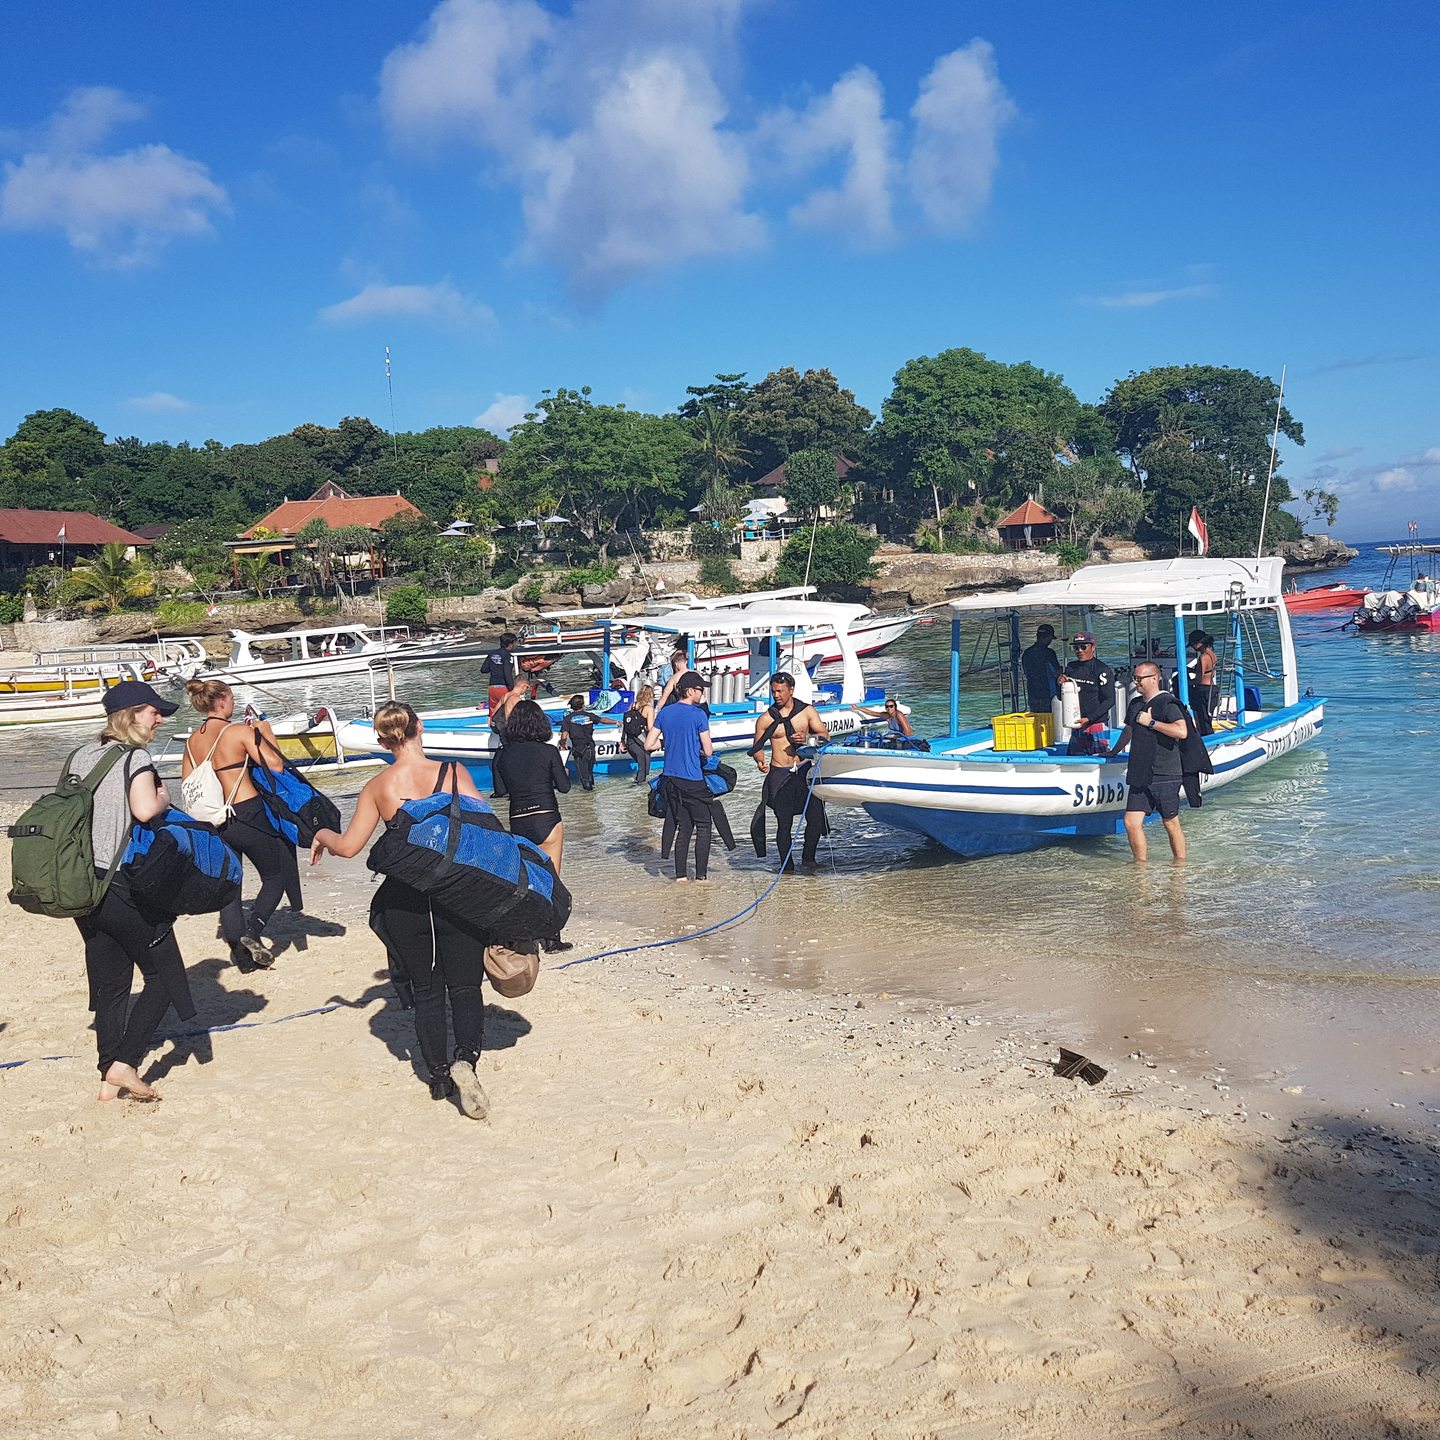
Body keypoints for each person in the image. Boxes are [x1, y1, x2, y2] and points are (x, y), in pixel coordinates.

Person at [309, 702, 492, 1118]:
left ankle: (440, 1076)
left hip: (406, 898)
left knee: (427, 990)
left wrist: (321, 833)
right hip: (456, 892)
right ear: (420, 728)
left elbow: (351, 846)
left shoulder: (378, 786)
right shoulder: (454, 773)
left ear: (381, 740)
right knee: (464, 986)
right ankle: (466, 1058)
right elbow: (486, 833)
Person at [72, 680, 193, 1102]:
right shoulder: (135, 757)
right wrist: (162, 797)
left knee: (111, 984)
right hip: (124, 883)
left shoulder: (80, 755)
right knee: (165, 977)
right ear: (131, 715)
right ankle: (124, 1064)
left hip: (84, 886)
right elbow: (143, 809)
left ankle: (108, 1080)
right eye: (153, 712)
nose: (160, 719)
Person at [181, 678, 302, 970]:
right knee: (275, 877)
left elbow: (187, 783)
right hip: (246, 811)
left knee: (231, 885)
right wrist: (265, 731)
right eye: (232, 698)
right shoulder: (237, 731)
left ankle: (241, 959)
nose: (233, 703)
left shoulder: (191, 741)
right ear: (222, 701)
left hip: (216, 819)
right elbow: (275, 765)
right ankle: (252, 933)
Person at [492, 699, 572, 954]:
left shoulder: (502, 755)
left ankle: (524, 934)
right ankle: (552, 939)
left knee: (528, 880)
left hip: (519, 821)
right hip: (546, 817)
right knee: (552, 880)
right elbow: (565, 787)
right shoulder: (548, 751)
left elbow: (500, 790)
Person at [750, 671, 832, 872]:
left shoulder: (807, 712)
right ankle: (786, 866)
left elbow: (826, 738)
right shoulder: (765, 719)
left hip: (804, 770)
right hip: (779, 773)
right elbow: (757, 746)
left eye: (780, 691)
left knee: (815, 818)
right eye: (773, 691)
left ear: (791, 690)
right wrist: (760, 762)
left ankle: (809, 858)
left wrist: (806, 740)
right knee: (784, 823)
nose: (776, 695)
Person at [1114, 662, 1190, 864]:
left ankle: (1180, 865)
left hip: (1165, 772)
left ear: (1154, 678)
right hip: (1141, 772)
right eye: (1135, 678)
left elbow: (1181, 731)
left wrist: (1151, 723)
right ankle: (1140, 866)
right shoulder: (1136, 704)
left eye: (1140, 678)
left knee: (1170, 822)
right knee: (1131, 822)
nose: (1136, 682)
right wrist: (1113, 751)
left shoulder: (1168, 703)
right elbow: (1129, 730)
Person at [645, 671, 714, 882]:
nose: (702, 694)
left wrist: (667, 743)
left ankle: (681, 877)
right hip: (692, 778)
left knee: (683, 827)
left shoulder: (665, 713)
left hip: (670, 781)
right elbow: (708, 751)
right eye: (701, 690)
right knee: (703, 826)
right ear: (691, 691)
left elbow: (648, 745)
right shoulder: (698, 714)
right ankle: (701, 876)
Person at [1058, 632, 1114, 754]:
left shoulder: (1102, 669)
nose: (1079, 650)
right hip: (1076, 723)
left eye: (1084, 647)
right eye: (1076, 648)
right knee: (1074, 762)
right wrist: (1060, 684)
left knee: (1099, 759)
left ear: (1093, 647)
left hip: (1096, 723)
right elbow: (1061, 697)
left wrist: (1089, 718)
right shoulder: (1071, 668)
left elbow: (1110, 700)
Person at [558, 693, 617, 792]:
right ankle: (593, 796)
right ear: (583, 705)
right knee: (590, 774)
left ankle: (588, 801)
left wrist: (562, 743)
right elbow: (603, 720)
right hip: (591, 749)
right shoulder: (589, 715)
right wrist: (616, 722)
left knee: (584, 778)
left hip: (580, 751)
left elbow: (564, 736)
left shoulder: (568, 719)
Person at [488, 671, 532, 800]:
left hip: (500, 732)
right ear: (523, 686)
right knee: (515, 760)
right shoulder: (515, 699)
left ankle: (500, 790)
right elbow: (510, 717)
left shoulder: (506, 695)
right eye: (527, 688)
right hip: (509, 733)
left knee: (500, 759)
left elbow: (493, 715)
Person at [1021, 624, 1061, 713]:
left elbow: (1027, 673)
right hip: (1048, 695)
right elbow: (1056, 673)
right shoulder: (1049, 653)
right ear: (1049, 637)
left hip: (1033, 695)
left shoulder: (1027, 653)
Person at [621, 684, 657, 783]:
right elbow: (650, 728)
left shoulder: (632, 705)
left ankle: (637, 785)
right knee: (644, 769)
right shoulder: (649, 709)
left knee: (641, 768)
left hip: (630, 741)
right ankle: (640, 791)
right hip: (642, 741)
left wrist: (622, 741)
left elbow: (626, 723)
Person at [1187, 630, 1218, 736]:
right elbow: (1208, 672)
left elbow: (1199, 678)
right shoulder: (1212, 654)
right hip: (1212, 688)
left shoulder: (1203, 658)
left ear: (1198, 643)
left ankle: (1206, 739)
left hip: (1203, 690)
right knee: (1208, 718)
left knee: (1203, 720)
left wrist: (1188, 682)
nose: (1192, 647)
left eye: (1193, 644)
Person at [483, 632, 518, 713]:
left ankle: (492, 725)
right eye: (514, 643)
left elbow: (484, 669)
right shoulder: (508, 656)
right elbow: (507, 673)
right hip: (503, 687)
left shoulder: (491, 654)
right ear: (510, 644)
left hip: (492, 687)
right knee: (508, 711)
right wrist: (513, 689)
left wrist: (495, 666)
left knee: (493, 712)